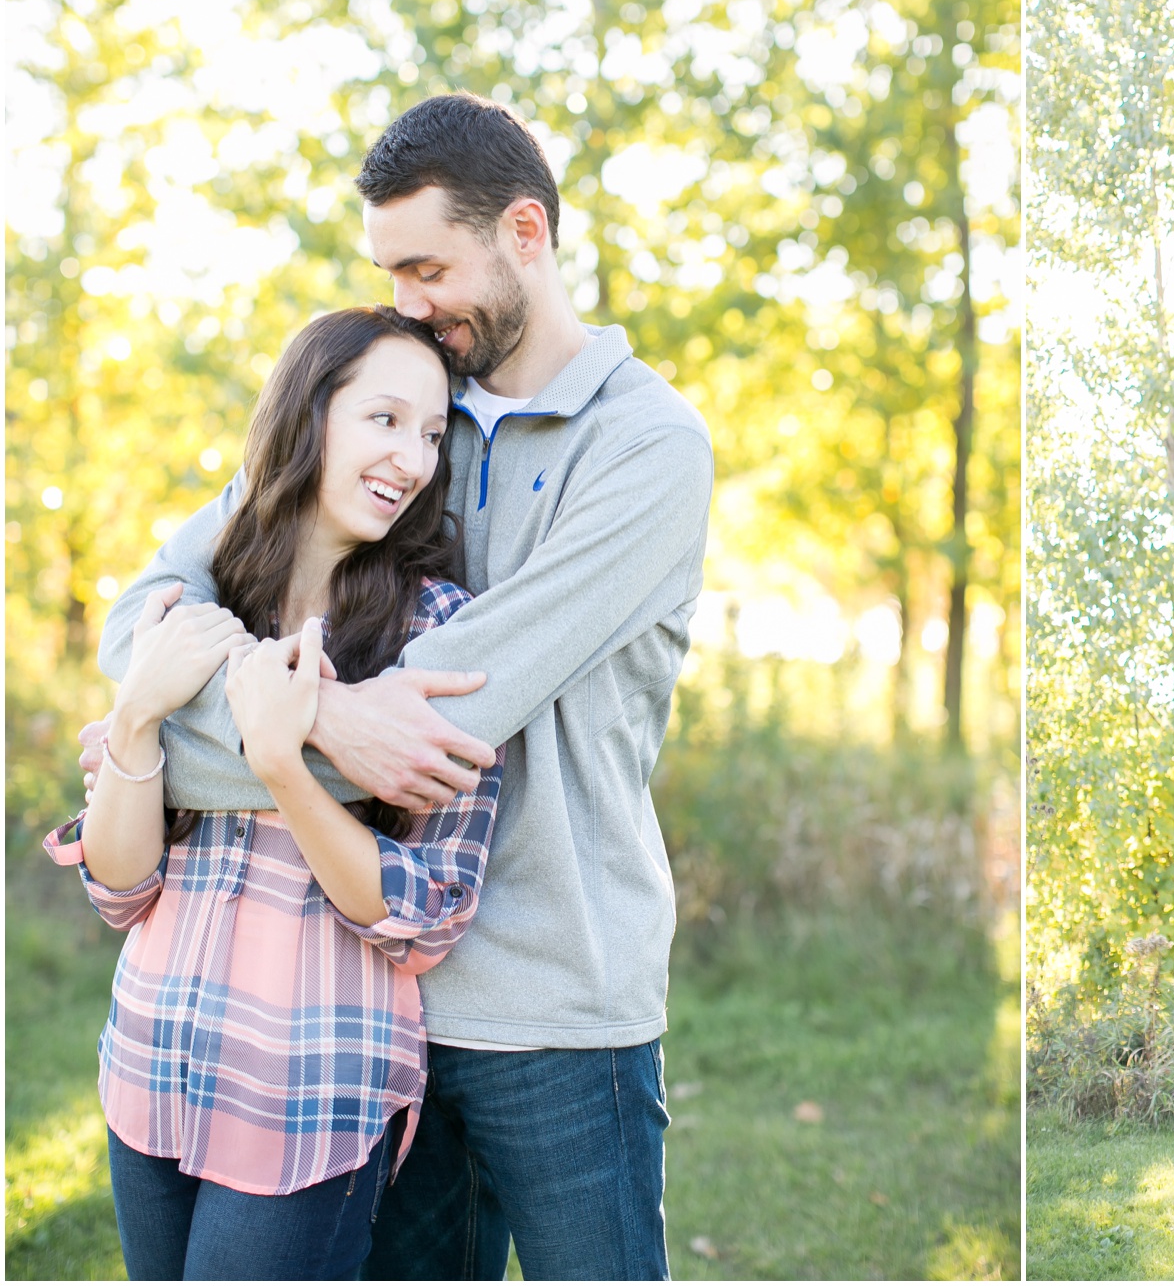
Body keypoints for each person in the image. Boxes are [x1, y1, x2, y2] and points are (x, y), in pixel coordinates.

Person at [81, 92, 715, 1280]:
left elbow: (438, 726)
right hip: (373, 997)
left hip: (556, 1003)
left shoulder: (647, 445)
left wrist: (180, 728)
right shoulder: (388, 404)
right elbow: (139, 623)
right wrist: (300, 710)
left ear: (524, 232)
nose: (408, 301)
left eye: (428, 266)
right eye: (388, 270)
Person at [49, 307, 498, 1280]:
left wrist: (286, 765)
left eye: (431, 433)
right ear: (308, 415)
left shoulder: (439, 633)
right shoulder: (199, 609)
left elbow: (418, 920)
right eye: (384, 418)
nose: (411, 457)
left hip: (304, 1095)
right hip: (151, 1065)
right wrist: (134, 721)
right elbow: (122, 888)